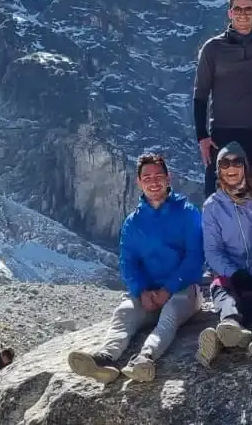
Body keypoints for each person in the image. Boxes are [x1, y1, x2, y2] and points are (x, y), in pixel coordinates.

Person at [68, 153, 204, 383]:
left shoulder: (188, 213)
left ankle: (145, 358)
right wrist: (140, 290)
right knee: (124, 312)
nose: (153, 182)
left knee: (170, 314)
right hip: (148, 293)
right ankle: (105, 359)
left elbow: (195, 256)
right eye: (147, 177)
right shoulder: (133, 222)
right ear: (139, 182)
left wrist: (168, 289)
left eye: (158, 176)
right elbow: (128, 262)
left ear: (168, 178)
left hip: (184, 290)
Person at [197, 142, 252, 366]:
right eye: (225, 163)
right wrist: (234, 273)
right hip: (231, 273)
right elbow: (213, 251)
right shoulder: (212, 206)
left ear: (245, 166)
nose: (231, 167)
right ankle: (231, 326)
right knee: (225, 294)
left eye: (237, 161)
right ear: (219, 171)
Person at [194, 0, 252, 196]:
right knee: (217, 197)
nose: (243, 14)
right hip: (222, 134)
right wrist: (202, 136)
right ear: (230, 12)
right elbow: (200, 93)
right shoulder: (212, 48)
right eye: (238, 9)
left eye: (248, 9)